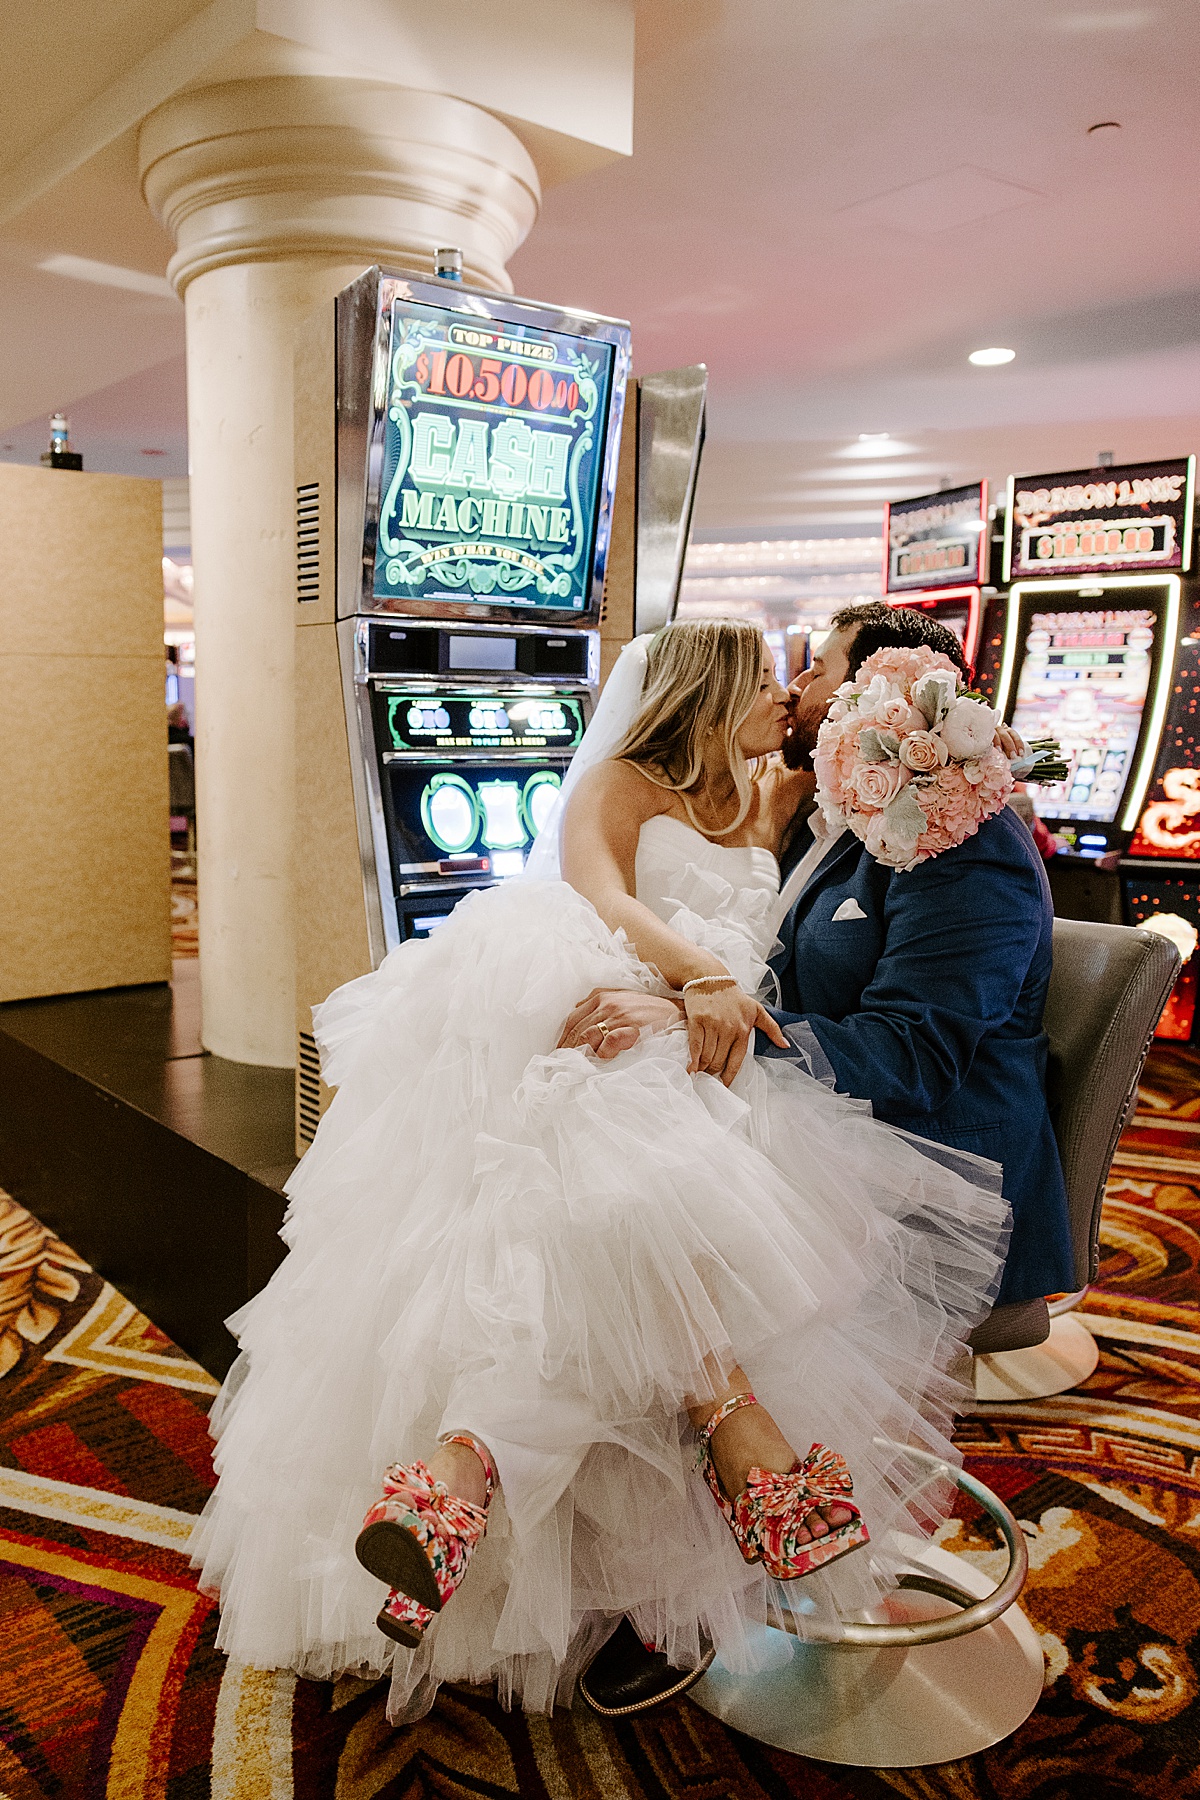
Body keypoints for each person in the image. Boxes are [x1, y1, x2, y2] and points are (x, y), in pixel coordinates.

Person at [191, 618, 1009, 1724]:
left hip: (710, 1055)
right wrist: (693, 983)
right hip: (641, 1029)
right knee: (614, 1167)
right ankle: (732, 1418)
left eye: (799, 677)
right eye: (771, 680)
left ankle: (462, 1471)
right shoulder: (619, 781)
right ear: (709, 693)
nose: (789, 696)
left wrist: (699, 1003)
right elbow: (607, 901)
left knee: (595, 1220)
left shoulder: (775, 803)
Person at [567, 602, 1073, 1713]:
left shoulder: (959, 833)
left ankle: (690, 1591)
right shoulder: (833, 806)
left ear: (891, 702)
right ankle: (631, 1559)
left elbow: (917, 1049)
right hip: (836, 1113)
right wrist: (677, 1004)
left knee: (673, 1236)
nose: (799, 690)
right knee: (598, 1192)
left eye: (821, 673)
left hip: (933, 1167)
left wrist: (727, 1034)